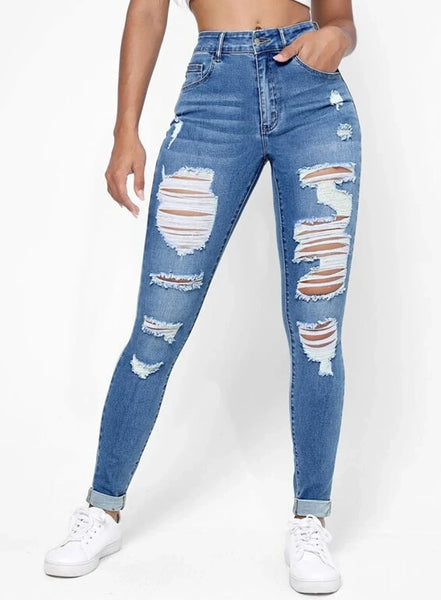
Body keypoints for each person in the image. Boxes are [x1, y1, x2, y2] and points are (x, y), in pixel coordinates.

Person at [44, 0, 361, 594]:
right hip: (214, 95)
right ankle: (103, 508)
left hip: (315, 100)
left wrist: (336, 40)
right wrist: (125, 130)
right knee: (158, 325)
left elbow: (339, 17)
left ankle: (311, 519)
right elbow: (148, 11)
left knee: (317, 328)